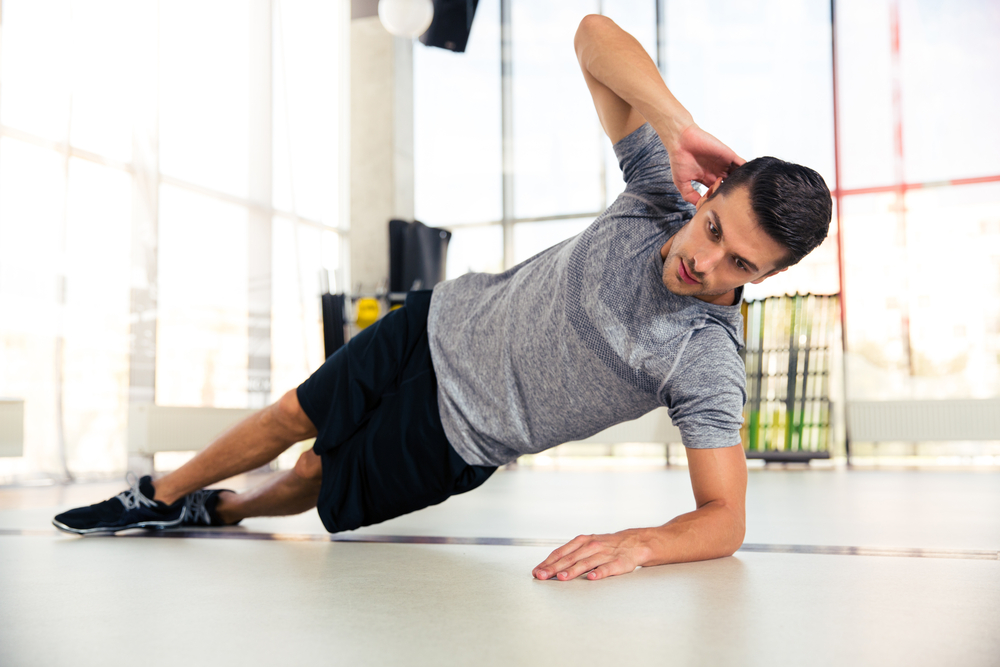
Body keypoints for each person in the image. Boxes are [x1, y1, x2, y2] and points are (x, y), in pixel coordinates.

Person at [53, 15, 831, 582]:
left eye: (740, 264)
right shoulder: (660, 189)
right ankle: (156, 495)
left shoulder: (706, 360)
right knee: (295, 411)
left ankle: (220, 510)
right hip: (437, 322)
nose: (707, 260)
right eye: (715, 226)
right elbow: (593, 34)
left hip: (456, 436)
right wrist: (674, 121)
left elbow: (723, 515)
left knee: (308, 477)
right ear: (709, 190)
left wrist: (646, 541)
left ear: (764, 278)